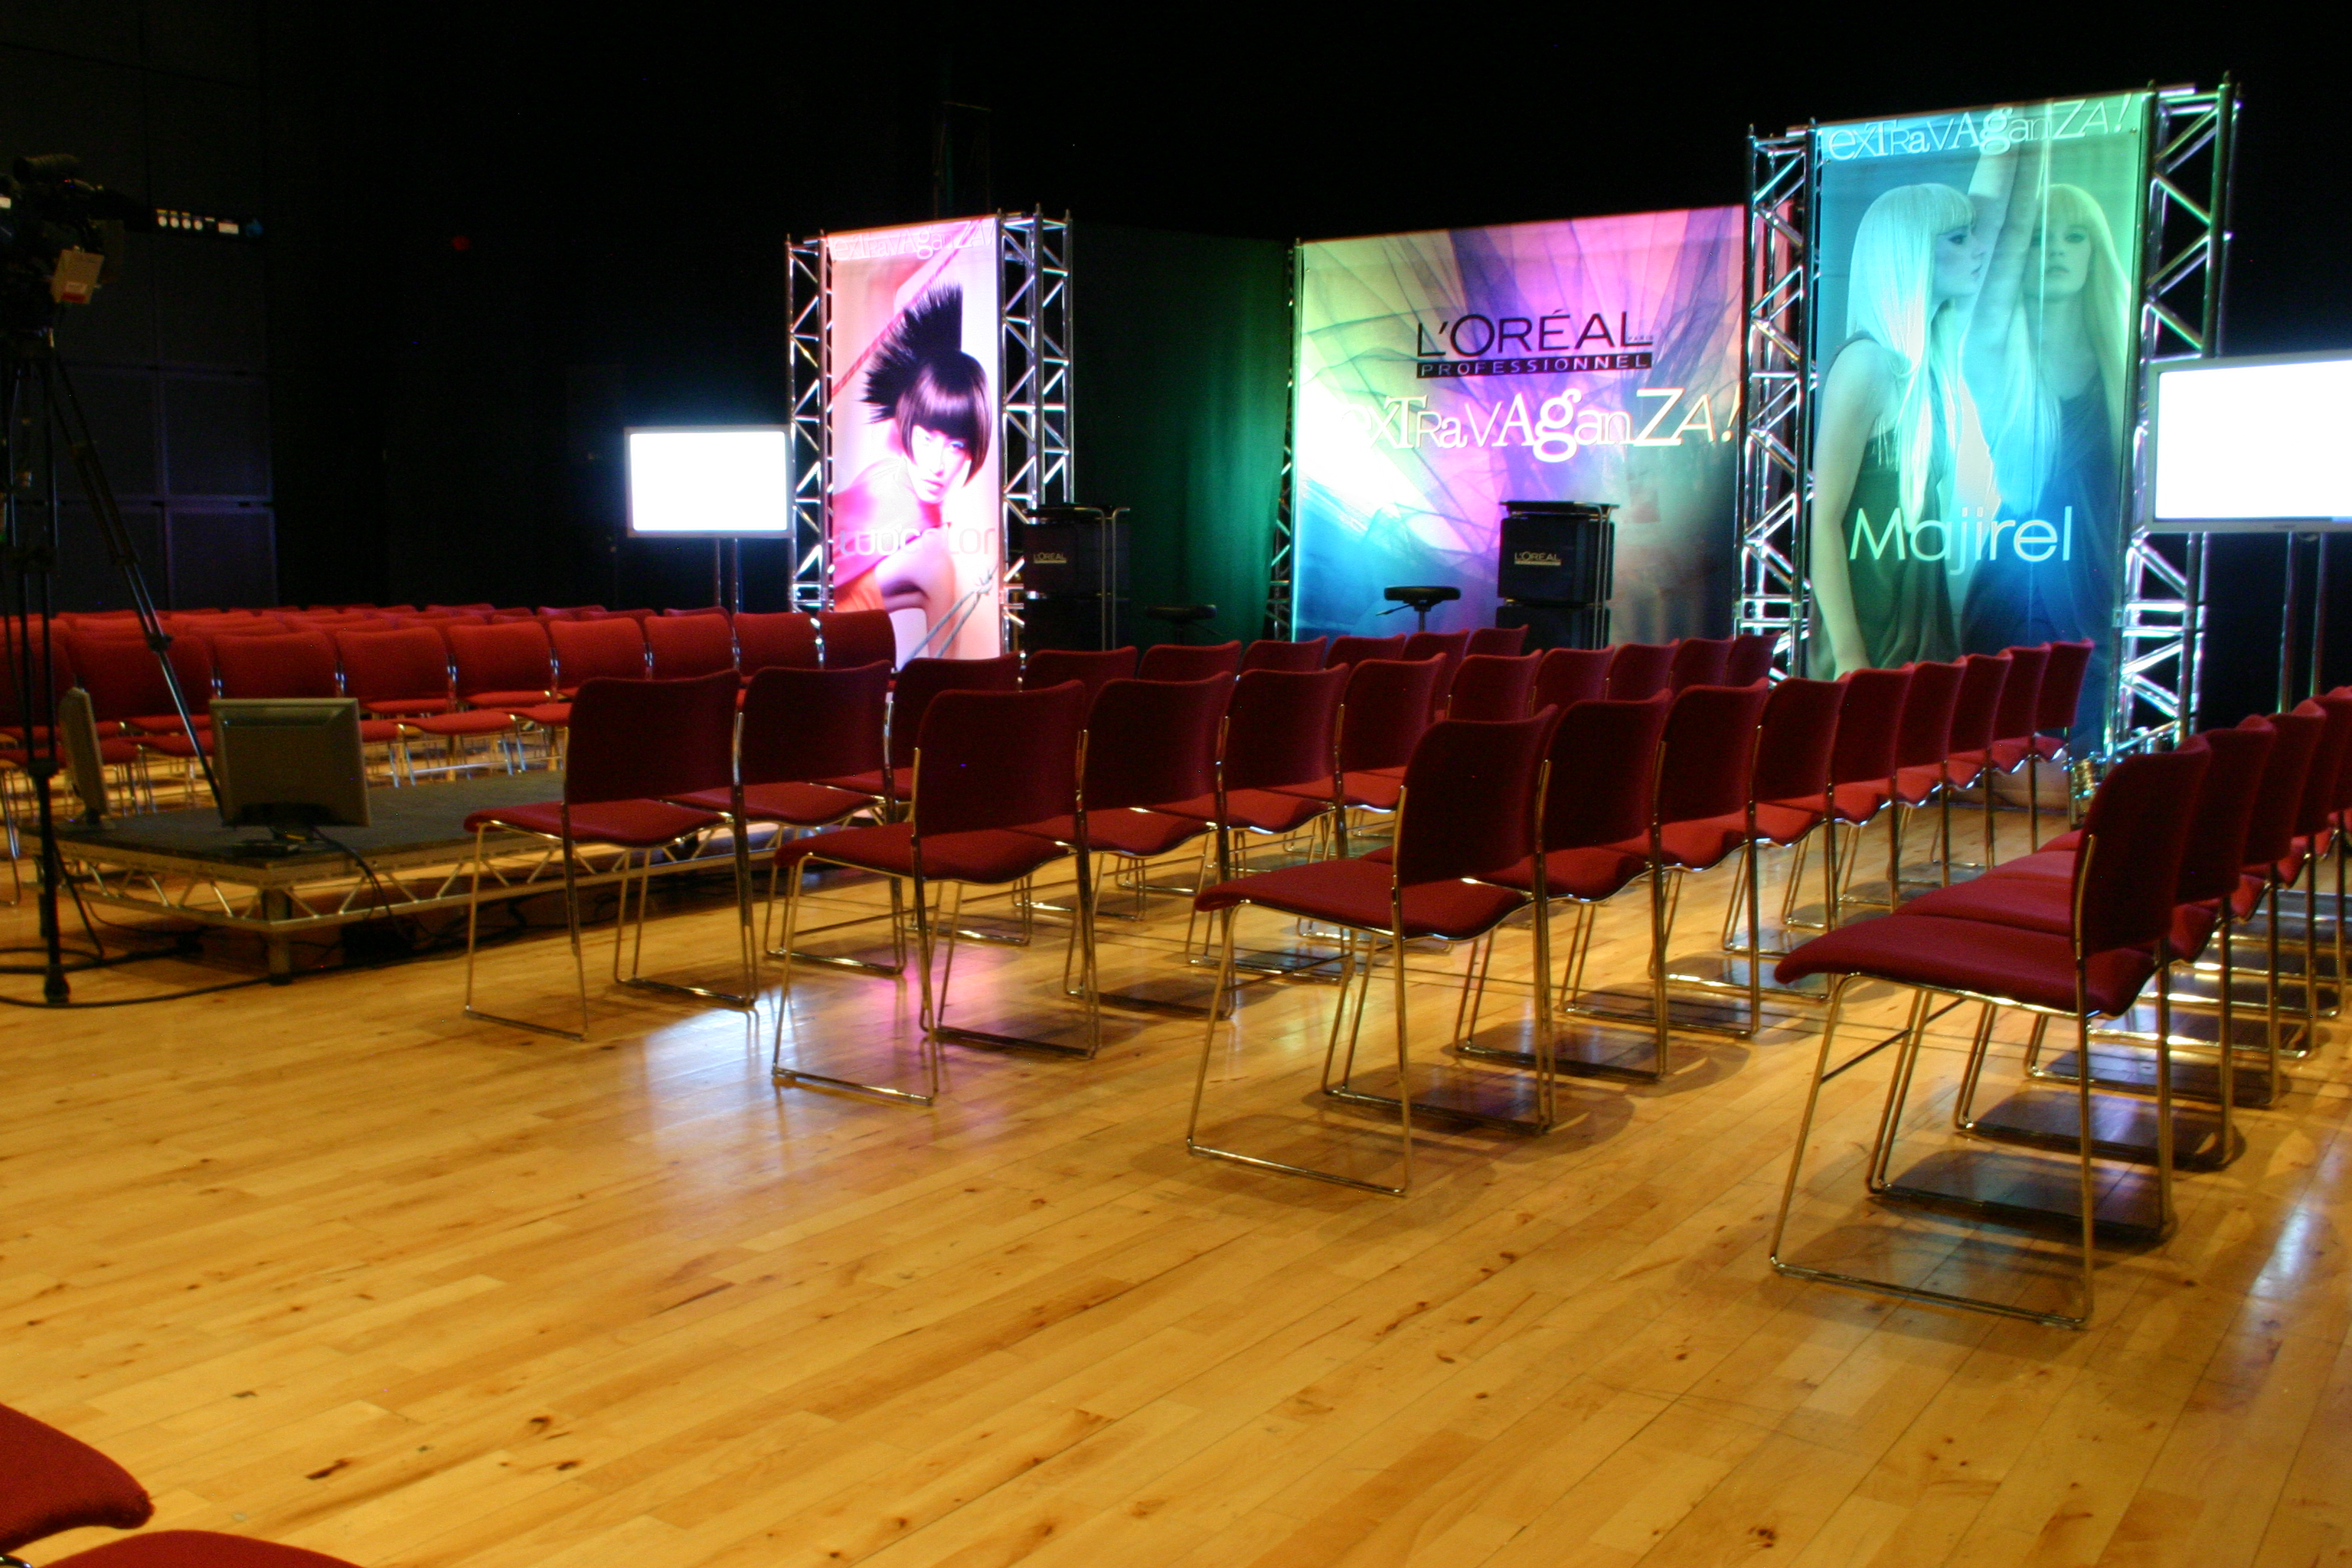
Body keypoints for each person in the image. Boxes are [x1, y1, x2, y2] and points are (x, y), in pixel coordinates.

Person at [1960, 174, 2132, 710]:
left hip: (2104, 581)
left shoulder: (2125, 370)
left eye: (2074, 236)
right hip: (2018, 582)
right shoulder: (1994, 355)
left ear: (2095, 252)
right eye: (2039, 237)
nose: (2056, 249)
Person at [1808, 182, 1992, 678]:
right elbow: (1823, 520)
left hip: (1917, 635)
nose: (1978, 250)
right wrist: (1849, 655)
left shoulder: (1930, 373)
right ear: (1911, 250)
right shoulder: (1866, 364)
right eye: (1958, 238)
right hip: (1869, 641)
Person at [830, 286, 991, 648]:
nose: (936, 465)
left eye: (955, 445)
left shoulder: (933, 555)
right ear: (909, 431)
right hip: (808, 605)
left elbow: (942, 672)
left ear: (970, 451)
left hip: (840, 650)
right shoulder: (890, 451)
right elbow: (877, 287)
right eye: (927, 439)